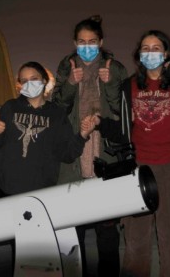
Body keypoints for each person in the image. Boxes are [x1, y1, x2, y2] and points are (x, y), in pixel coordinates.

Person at [96, 30, 170, 277]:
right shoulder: (128, 87)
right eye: (146, 48)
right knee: (135, 240)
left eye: (156, 48)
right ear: (139, 55)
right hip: (138, 170)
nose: (151, 53)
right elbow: (122, 130)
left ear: (167, 53)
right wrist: (99, 122)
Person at [53, 15, 127, 277]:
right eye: (82, 42)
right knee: (75, 228)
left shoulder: (115, 68)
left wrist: (109, 86)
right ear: (74, 42)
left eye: (92, 42)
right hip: (75, 150)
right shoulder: (67, 65)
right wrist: (71, 83)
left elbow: (122, 112)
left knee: (107, 228)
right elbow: (58, 109)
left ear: (101, 42)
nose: (87, 46)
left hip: (105, 151)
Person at [0, 61, 96, 197]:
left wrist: (82, 135)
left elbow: (66, 154)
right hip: (4, 188)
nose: (29, 83)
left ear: (44, 80)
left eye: (34, 79)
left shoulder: (56, 114)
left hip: (40, 191)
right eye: (24, 81)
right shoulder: (10, 107)